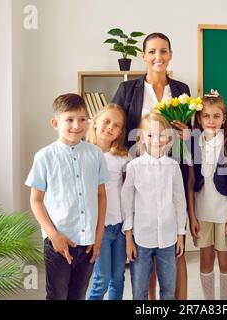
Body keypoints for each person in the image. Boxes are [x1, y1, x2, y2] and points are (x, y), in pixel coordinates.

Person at [112, 32, 189, 300]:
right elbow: (116, 127)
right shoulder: (127, 90)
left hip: (171, 166)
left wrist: (185, 134)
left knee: (170, 250)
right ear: (143, 56)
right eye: (152, 51)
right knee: (144, 254)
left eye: (164, 51)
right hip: (136, 169)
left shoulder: (181, 90)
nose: (158, 57)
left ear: (170, 54)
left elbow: (187, 132)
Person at [25, 93, 109, 300]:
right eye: (69, 120)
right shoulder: (44, 156)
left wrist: (98, 236)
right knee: (57, 295)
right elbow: (35, 200)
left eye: (82, 119)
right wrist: (54, 236)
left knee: (78, 294)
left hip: (88, 240)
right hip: (58, 242)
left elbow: (101, 196)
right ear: (55, 123)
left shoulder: (95, 154)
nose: (76, 125)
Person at [121, 112, 187, 300]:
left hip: (168, 238)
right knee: (139, 291)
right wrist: (128, 238)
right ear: (141, 137)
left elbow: (179, 202)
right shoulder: (134, 166)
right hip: (142, 239)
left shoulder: (173, 167)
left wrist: (181, 235)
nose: (156, 140)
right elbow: (127, 203)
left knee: (168, 290)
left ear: (168, 137)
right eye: (150, 135)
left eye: (161, 134)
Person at [187, 90, 227, 300]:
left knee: (224, 259)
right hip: (202, 212)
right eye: (206, 116)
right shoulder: (193, 143)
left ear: (224, 118)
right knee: (206, 259)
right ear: (199, 118)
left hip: (225, 213)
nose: (211, 120)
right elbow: (190, 182)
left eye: (217, 116)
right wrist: (192, 216)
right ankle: (210, 302)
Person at [86, 104, 131, 300]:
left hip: (119, 227)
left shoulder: (122, 156)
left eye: (117, 125)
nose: (110, 127)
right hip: (99, 230)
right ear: (95, 122)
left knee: (118, 278)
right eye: (106, 121)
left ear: (121, 131)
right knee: (101, 279)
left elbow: (129, 191)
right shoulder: (84, 153)